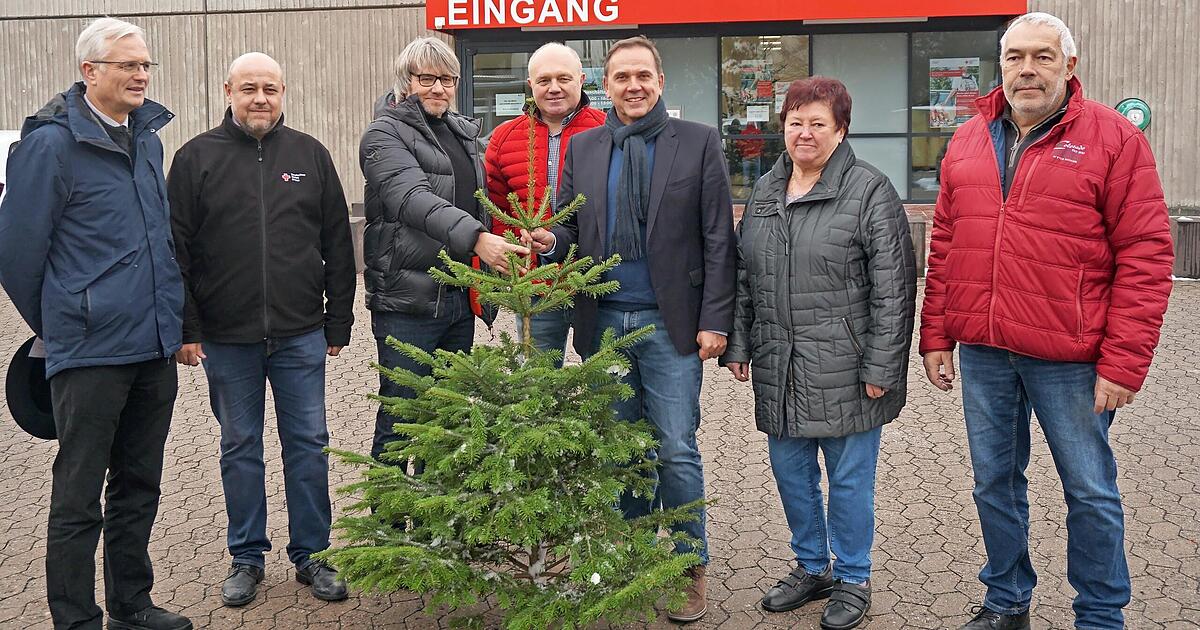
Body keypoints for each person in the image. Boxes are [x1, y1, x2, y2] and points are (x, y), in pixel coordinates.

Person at [920, 12, 1175, 630]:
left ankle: (1100, 613)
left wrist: (1123, 364)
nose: (1026, 69)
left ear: (1070, 65)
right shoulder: (969, 137)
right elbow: (948, 239)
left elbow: (1146, 254)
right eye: (1014, 57)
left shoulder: (1114, 140)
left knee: (1089, 490)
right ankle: (1007, 600)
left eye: (1042, 56)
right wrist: (936, 333)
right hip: (985, 350)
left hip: (1071, 358)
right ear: (1000, 65)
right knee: (994, 485)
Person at [526, 35, 736, 623]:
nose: (634, 86)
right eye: (622, 77)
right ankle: (630, 556)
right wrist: (549, 241)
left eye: (643, 75)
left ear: (660, 82)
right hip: (604, 323)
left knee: (674, 447)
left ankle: (689, 563)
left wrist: (716, 320)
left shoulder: (696, 143)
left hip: (671, 327)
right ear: (607, 85)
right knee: (619, 450)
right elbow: (571, 228)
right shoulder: (587, 147)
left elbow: (719, 237)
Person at [0, 17, 192, 630]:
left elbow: (159, 242)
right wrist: (66, 319)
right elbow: (18, 252)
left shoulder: (148, 139)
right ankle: (76, 619)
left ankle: (131, 607)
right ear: (91, 72)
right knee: (78, 496)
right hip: (89, 352)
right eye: (128, 65)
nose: (141, 75)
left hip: (152, 345)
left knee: (139, 485)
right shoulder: (51, 145)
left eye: (145, 65)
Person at [721, 77, 916, 630]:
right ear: (782, 126)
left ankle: (853, 577)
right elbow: (744, 275)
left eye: (817, 123)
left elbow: (895, 289)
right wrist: (740, 342)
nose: (804, 134)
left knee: (849, 480)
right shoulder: (765, 191)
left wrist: (883, 366)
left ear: (841, 129)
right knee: (792, 475)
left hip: (849, 370)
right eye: (795, 122)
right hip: (779, 364)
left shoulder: (870, 191)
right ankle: (812, 566)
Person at [167, 52, 356, 607]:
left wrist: (338, 318)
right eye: (249, 88)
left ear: (283, 91)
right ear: (228, 90)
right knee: (240, 445)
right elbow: (175, 251)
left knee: (308, 443)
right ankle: (247, 556)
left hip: (300, 333)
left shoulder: (310, 155)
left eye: (270, 88)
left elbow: (337, 244)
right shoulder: (195, 158)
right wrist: (188, 327)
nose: (260, 99)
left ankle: (311, 554)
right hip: (227, 338)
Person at [363, 37, 529, 463]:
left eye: (447, 79)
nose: (438, 88)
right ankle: (390, 524)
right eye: (427, 78)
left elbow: (478, 202)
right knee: (404, 416)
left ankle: (438, 525)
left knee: (449, 414)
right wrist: (477, 238)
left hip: (456, 299)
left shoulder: (461, 133)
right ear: (406, 82)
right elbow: (412, 198)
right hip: (408, 304)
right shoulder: (384, 134)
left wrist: (512, 236)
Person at [484, 42, 605, 363]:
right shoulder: (504, 138)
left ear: (581, 80)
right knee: (536, 381)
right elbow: (497, 212)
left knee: (608, 385)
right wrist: (512, 267)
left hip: (597, 283)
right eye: (544, 80)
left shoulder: (609, 131)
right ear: (530, 85)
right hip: (535, 288)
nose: (554, 88)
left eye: (564, 79)